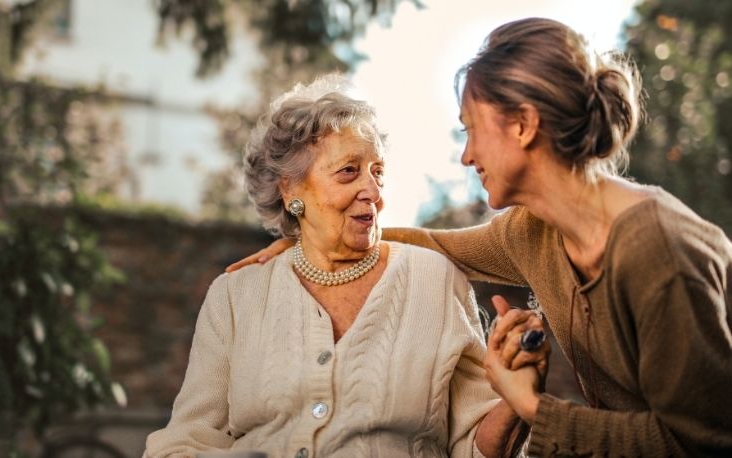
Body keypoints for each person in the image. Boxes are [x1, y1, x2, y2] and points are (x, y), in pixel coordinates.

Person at [227, 18, 732, 456]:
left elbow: (700, 442)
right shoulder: (533, 232)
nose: (467, 156)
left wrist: (531, 405)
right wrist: (313, 239)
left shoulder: (657, 250)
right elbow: (436, 244)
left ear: (523, 126)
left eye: (471, 129)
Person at [144, 75, 540, 457]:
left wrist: (516, 398)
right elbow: (188, 439)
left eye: (378, 172)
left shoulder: (435, 281)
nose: (372, 192)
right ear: (290, 189)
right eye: (349, 171)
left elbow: (477, 447)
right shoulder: (235, 295)